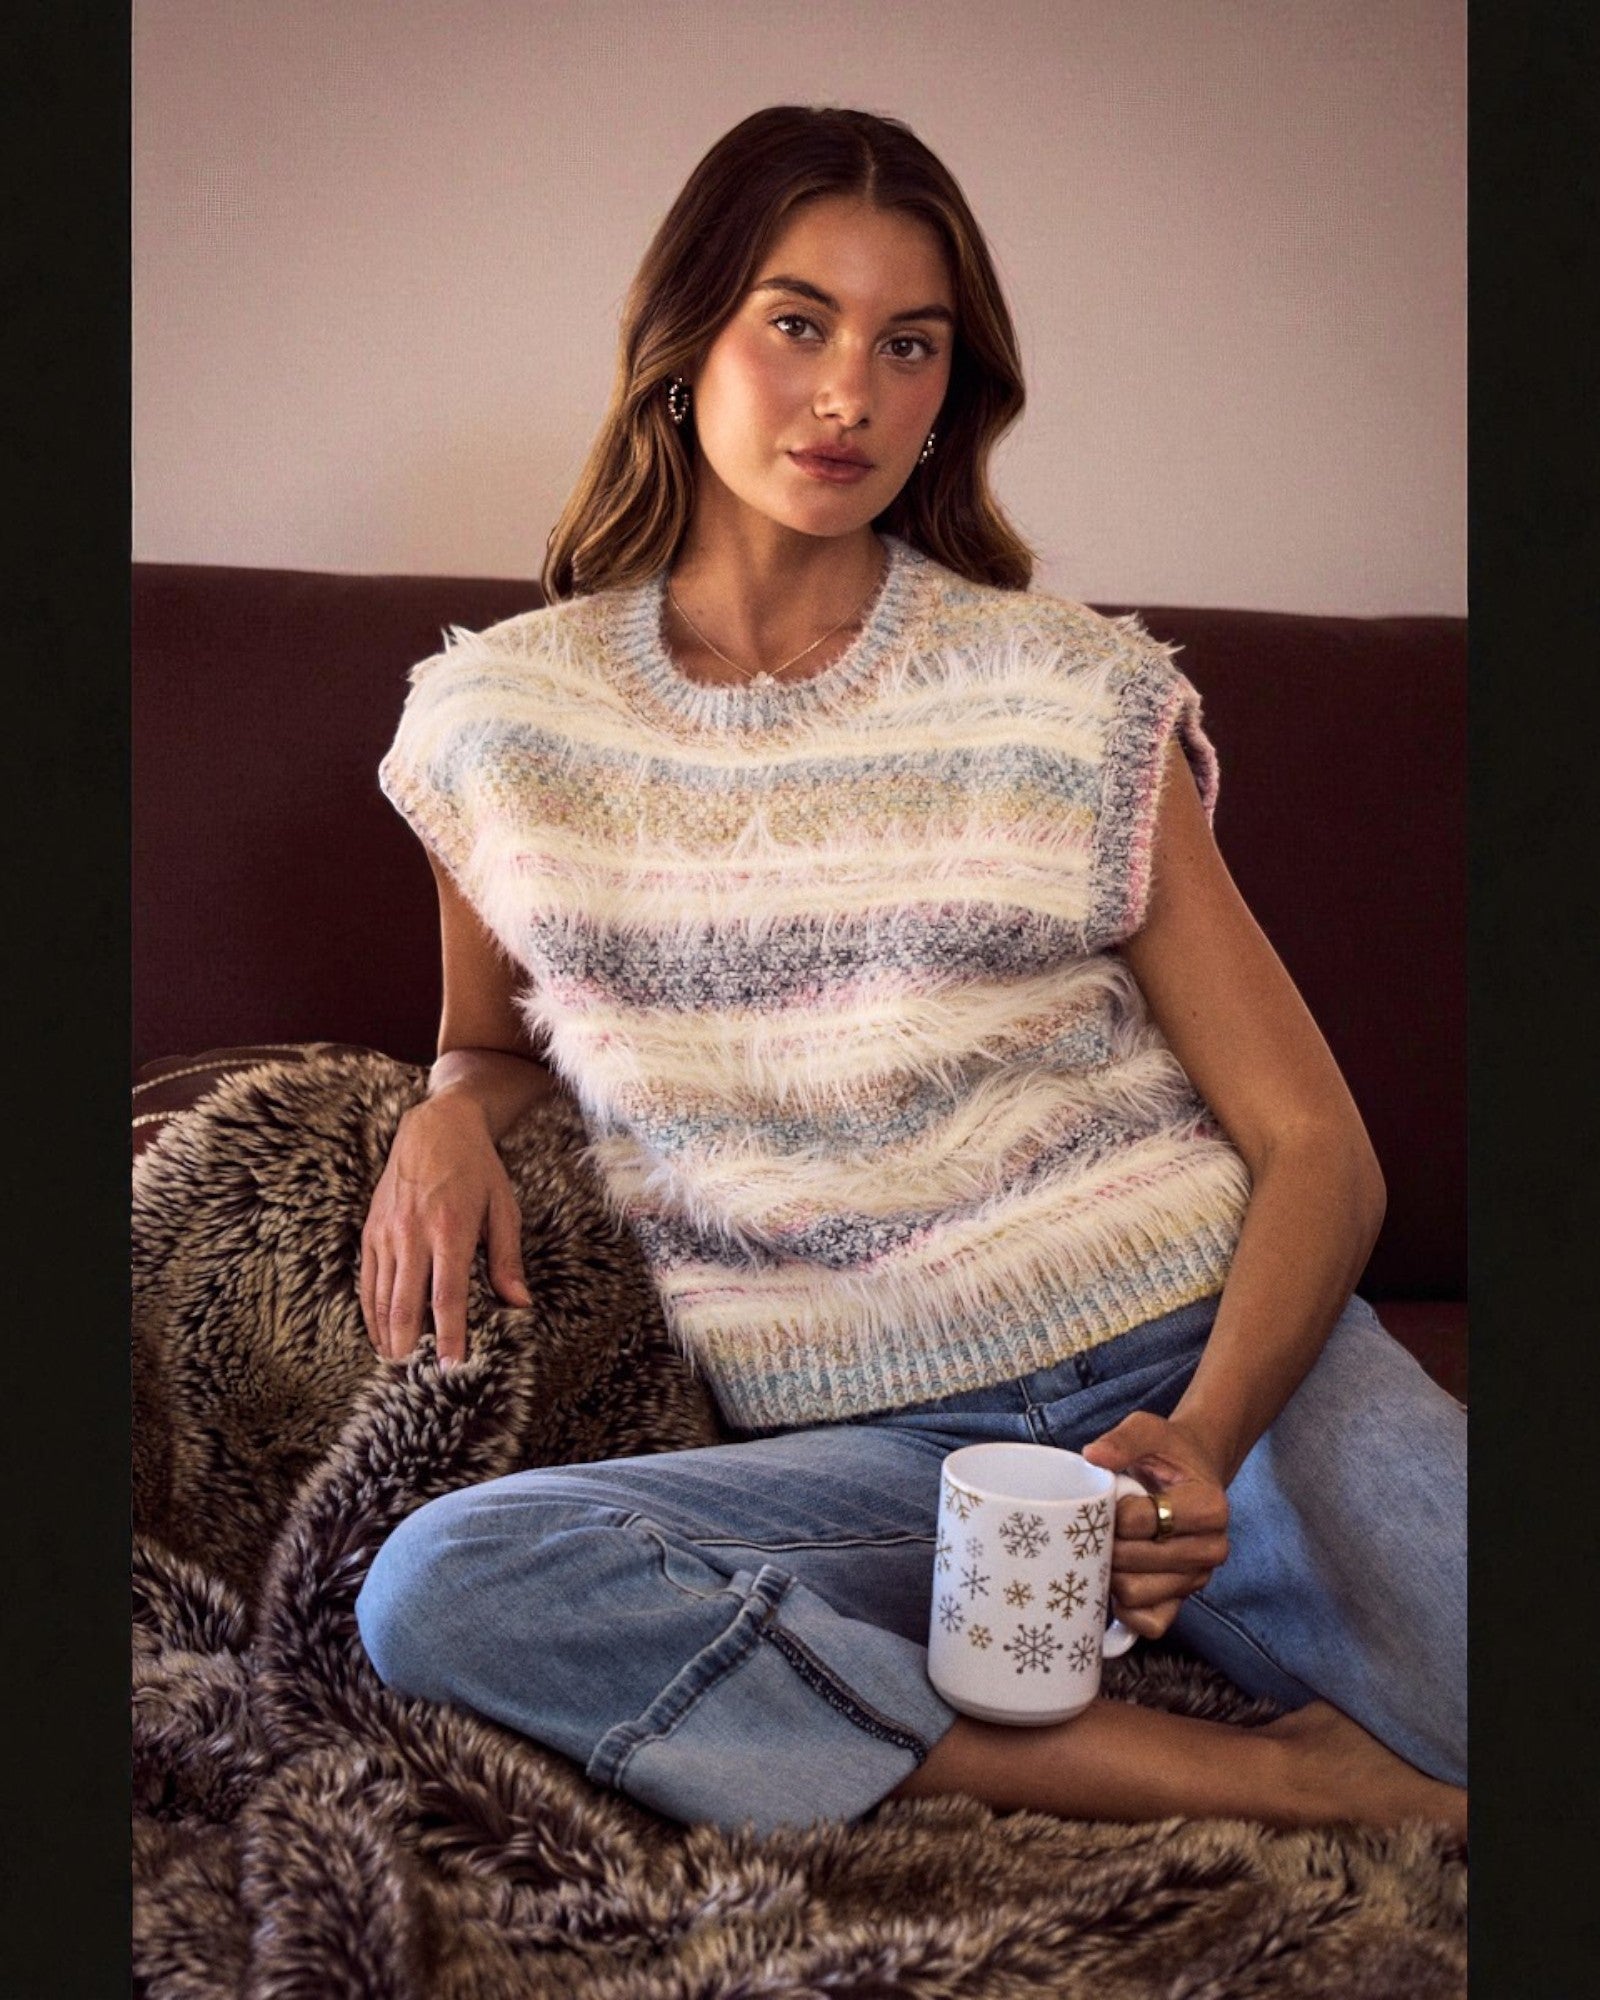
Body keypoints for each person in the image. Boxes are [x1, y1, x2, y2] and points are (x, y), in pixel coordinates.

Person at [353, 104, 1466, 1842]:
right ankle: (1266, 1782)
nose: (848, 394)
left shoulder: (1072, 694)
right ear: (685, 342)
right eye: (797, 323)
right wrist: (445, 1113)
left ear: (954, 387)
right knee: (443, 1589)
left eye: (909, 343)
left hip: (1217, 1367)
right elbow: (491, 1042)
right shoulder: (496, 723)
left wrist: (1206, 1437)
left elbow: (1321, 1148)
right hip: (881, 1453)